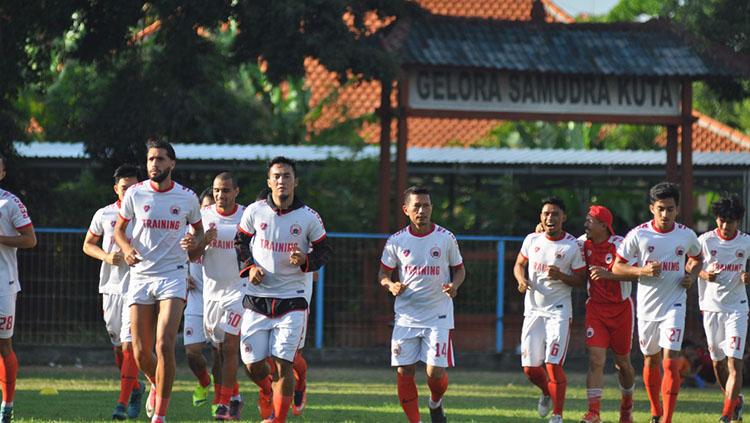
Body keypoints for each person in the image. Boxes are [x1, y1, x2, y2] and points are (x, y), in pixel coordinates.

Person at [235, 156, 332, 423]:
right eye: (276, 176)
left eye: (286, 176)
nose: (281, 181)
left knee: (283, 362)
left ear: (295, 182)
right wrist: (249, 268)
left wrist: (306, 261)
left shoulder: (309, 217)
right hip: (258, 298)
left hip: (293, 299)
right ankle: (267, 391)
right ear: (269, 182)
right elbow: (240, 241)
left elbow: (325, 250)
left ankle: (278, 419)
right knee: (252, 364)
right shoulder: (254, 211)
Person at [114, 140, 203, 423]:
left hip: (173, 274)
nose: (154, 164)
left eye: (160, 159)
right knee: (140, 352)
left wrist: (193, 240)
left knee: (164, 344)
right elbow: (119, 229)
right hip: (140, 275)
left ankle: (160, 416)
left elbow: (199, 233)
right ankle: (156, 382)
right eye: (151, 159)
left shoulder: (187, 197)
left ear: (172, 164)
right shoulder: (136, 194)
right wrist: (127, 249)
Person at [612, 181, 702, 423]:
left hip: (674, 305)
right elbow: (617, 266)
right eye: (661, 208)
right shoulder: (639, 234)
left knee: (670, 361)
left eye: (670, 209)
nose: (665, 214)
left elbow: (697, 258)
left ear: (677, 210)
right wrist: (642, 271)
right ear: (652, 208)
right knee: (650, 359)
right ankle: (655, 411)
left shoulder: (686, 235)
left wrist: (691, 276)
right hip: (647, 308)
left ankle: (667, 419)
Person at [378, 186, 466, 423]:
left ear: (431, 208)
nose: (422, 210)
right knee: (404, 371)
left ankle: (435, 402)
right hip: (406, 316)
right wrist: (391, 285)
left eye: (426, 205)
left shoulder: (445, 238)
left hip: (438, 315)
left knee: (434, 373)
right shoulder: (396, 241)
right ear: (406, 210)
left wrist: (454, 285)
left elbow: (459, 269)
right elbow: (383, 274)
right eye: (416, 206)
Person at [513, 196, 586, 423]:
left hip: (559, 311)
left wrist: (562, 276)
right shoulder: (532, 239)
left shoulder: (572, 246)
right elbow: (519, 264)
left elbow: (581, 281)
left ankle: (558, 414)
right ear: (540, 217)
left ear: (563, 217)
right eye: (546, 213)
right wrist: (521, 280)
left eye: (555, 213)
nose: (550, 217)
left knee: (553, 364)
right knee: (530, 369)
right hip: (534, 311)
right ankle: (546, 392)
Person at [82, 164, 144, 420]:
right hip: (111, 287)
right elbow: (88, 244)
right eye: (125, 187)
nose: (129, 192)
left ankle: (121, 403)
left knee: (130, 345)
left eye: (134, 187)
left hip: (139, 287)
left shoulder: (146, 213)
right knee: (118, 347)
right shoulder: (104, 214)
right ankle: (136, 388)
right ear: (116, 189)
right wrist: (106, 256)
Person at [187, 173, 245, 420]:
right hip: (211, 294)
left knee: (230, 347)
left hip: (239, 292)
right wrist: (203, 242)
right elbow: (191, 255)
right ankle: (234, 396)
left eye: (226, 190)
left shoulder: (247, 216)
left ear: (236, 192)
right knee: (218, 350)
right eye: (217, 190)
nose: (221, 195)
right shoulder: (204, 216)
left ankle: (222, 402)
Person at [578, 205, 637, 423]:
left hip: (621, 310)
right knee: (595, 360)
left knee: (623, 364)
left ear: (603, 225)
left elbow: (635, 273)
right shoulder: (583, 243)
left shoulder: (621, 245)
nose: (585, 224)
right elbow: (561, 243)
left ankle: (627, 406)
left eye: (590, 221)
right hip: (596, 309)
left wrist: (608, 275)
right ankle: (594, 413)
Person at [696, 193, 750, 422]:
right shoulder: (705, 241)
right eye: (722, 220)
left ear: (738, 221)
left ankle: (727, 414)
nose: (726, 226)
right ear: (716, 219)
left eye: (731, 221)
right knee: (718, 364)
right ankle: (735, 401)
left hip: (737, 309)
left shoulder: (745, 242)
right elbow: (689, 265)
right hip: (711, 308)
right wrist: (704, 274)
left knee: (734, 361)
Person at [0, 156, 37, 423]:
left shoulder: (9, 202)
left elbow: (30, 239)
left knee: (4, 345)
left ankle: (7, 405)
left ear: (2, 173)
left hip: (3, 282)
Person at [183, 188, 219, 411]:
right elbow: (175, 257)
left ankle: (221, 399)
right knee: (192, 352)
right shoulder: (188, 230)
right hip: (196, 298)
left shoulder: (224, 230)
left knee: (220, 352)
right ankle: (205, 382)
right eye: (203, 207)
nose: (207, 211)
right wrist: (182, 275)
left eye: (210, 206)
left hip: (219, 297)